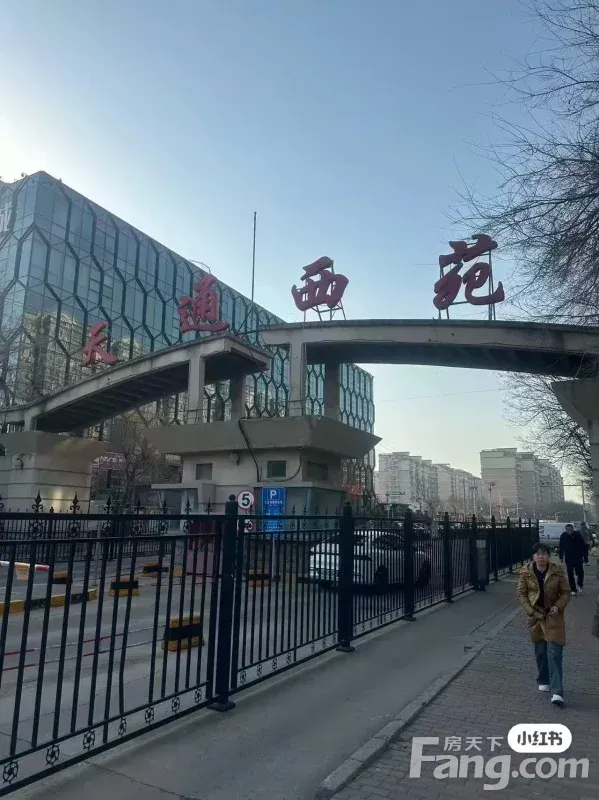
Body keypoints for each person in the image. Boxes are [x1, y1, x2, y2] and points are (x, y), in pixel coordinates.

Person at [517, 543, 570, 705]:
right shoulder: (525, 572)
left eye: (544, 554)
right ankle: (544, 679)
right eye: (538, 554)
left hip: (553, 616)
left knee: (554, 652)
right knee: (541, 652)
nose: (541, 557)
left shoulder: (556, 570)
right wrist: (531, 611)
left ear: (549, 556)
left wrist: (557, 606)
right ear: (533, 556)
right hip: (536, 616)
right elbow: (521, 593)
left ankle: (557, 692)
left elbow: (566, 592)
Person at [559, 523, 588, 595]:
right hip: (569, 557)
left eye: (571, 530)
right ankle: (573, 589)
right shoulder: (563, 536)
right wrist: (561, 557)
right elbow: (561, 547)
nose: (569, 531)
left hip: (578, 557)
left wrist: (583, 555)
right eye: (568, 530)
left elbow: (583, 545)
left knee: (580, 572)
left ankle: (579, 584)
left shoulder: (577, 534)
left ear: (573, 529)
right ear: (566, 530)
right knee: (570, 573)